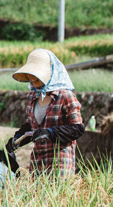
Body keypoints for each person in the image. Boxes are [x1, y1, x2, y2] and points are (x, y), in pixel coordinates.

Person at [6, 48, 85, 179]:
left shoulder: (65, 96)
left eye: (36, 76)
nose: (32, 79)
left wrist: (50, 133)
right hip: (38, 160)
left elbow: (77, 128)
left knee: (57, 196)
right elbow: (32, 126)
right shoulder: (32, 97)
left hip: (59, 160)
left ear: (49, 73)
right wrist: (18, 138)